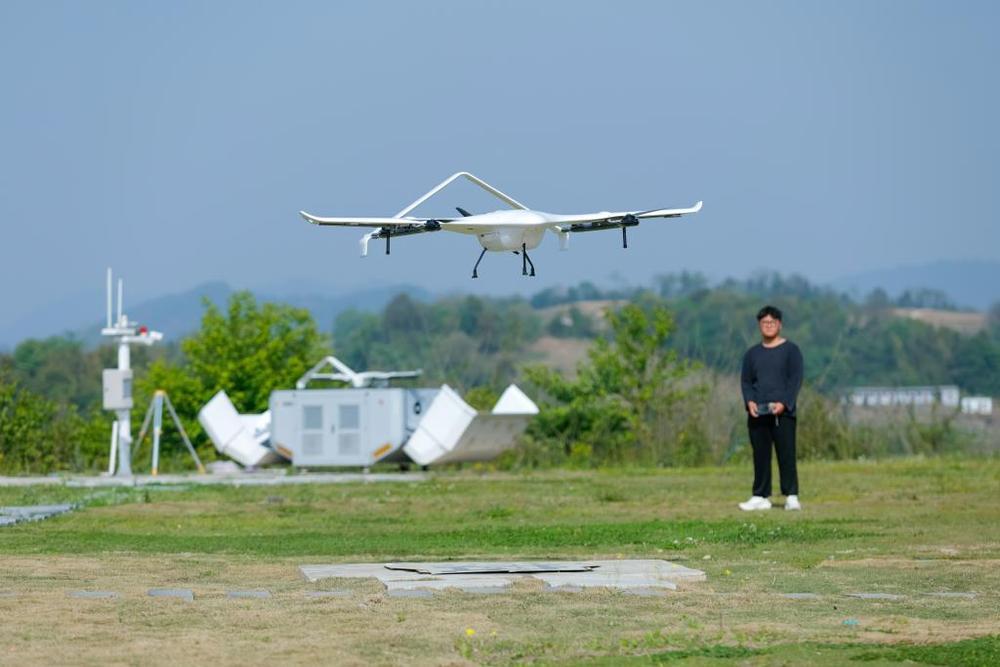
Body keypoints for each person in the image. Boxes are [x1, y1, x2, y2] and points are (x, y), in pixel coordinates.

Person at [738, 305, 804, 511]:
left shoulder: (791, 351)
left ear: (780, 325)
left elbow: (795, 380)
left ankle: (791, 495)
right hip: (758, 412)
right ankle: (760, 495)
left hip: (783, 413)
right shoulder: (752, 354)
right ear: (759, 325)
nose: (768, 326)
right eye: (765, 323)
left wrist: (784, 403)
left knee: (786, 454)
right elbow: (746, 381)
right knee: (760, 455)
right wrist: (749, 402)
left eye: (772, 322)